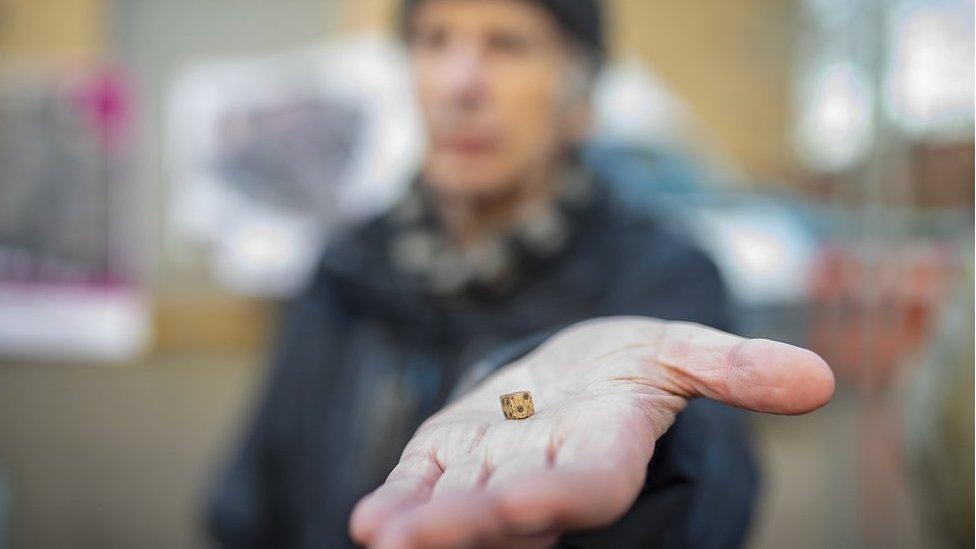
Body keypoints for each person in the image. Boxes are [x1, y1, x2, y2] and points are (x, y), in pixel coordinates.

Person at [206, 1, 835, 547]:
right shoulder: (347, 266)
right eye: (433, 40)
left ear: (580, 100)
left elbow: (712, 509)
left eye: (506, 45)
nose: (460, 83)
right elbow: (250, 505)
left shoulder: (662, 281)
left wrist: (657, 452)